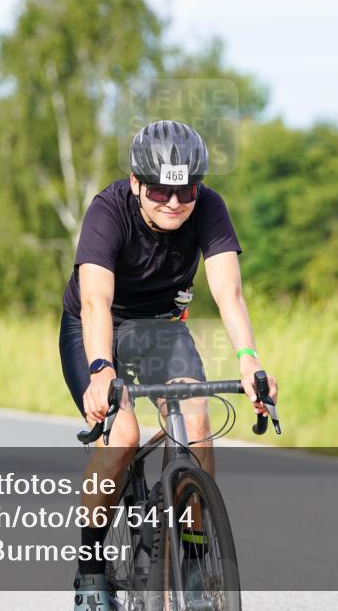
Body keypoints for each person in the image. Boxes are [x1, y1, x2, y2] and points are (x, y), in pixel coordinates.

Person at [59, 120, 279, 611]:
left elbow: (229, 292)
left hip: (161, 326)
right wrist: (101, 372)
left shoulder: (210, 209)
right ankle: (91, 571)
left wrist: (250, 362)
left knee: (196, 425)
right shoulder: (108, 210)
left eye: (187, 190)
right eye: (159, 189)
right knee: (123, 440)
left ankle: (197, 561)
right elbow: (95, 301)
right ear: (137, 183)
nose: (175, 202)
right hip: (98, 328)